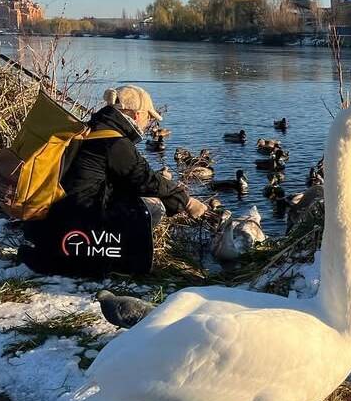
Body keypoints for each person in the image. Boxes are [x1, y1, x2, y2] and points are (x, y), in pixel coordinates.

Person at [20, 85, 209, 277]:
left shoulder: (91, 129)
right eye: (149, 117)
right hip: (82, 214)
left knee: (144, 199)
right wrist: (186, 201)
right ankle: (120, 262)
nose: (149, 122)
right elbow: (146, 179)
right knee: (154, 207)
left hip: (59, 212)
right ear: (136, 115)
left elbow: (132, 179)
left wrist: (173, 199)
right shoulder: (115, 142)